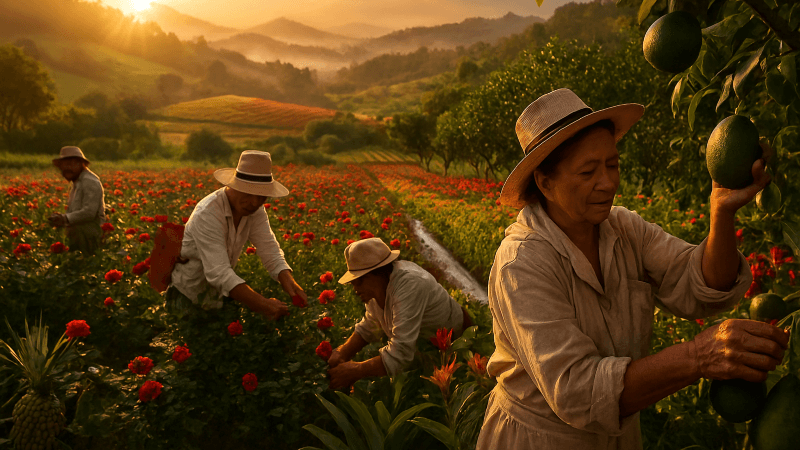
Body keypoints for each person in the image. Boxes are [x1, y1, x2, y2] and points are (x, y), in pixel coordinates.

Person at [475, 89, 790, 449]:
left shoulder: (623, 229)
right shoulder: (522, 264)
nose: (608, 183)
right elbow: (577, 390)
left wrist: (722, 210)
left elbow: (698, 282)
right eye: (588, 171)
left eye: (612, 164)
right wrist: (698, 356)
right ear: (546, 183)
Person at [166, 150, 306, 320]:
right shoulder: (208, 213)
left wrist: (289, 281)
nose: (254, 202)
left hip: (219, 296)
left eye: (261, 196)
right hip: (188, 297)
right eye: (248, 193)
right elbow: (219, 273)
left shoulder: (255, 211)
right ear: (233, 185)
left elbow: (269, 248)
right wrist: (264, 305)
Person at [327, 237, 472, 389]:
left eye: (359, 281)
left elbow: (401, 354)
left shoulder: (409, 285)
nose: (355, 289)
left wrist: (354, 371)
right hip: (424, 348)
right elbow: (370, 325)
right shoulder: (377, 289)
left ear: (377, 274)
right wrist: (342, 352)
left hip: (454, 343)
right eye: (353, 282)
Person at [48, 146, 106, 255]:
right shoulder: (77, 181)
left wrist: (65, 218)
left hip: (90, 237)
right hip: (79, 234)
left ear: (81, 163)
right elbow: (74, 211)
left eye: (70, 164)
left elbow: (89, 212)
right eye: (63, 166)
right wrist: (60, 218)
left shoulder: (89, 181)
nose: (66, 169)